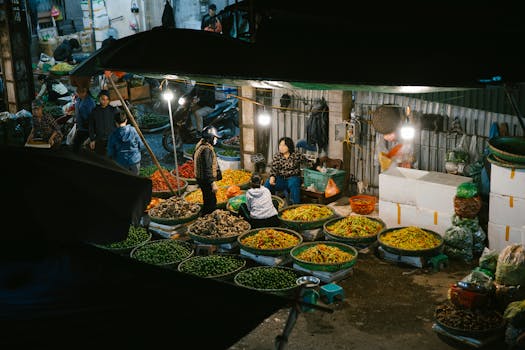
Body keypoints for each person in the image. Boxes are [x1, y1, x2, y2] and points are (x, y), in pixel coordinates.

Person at [265, 136, 318, 205]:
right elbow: (274, 169)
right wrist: (272, 177)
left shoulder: (296, 155)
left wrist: (317, 167)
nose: (281, 147)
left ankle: (295, 205)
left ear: (289, 146)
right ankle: (267, 202)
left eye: (283, 145)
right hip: (281, 180)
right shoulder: (277, 156)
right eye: (280, 145)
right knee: (268, 183)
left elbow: (308, 162)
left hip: (293, 179)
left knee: (294, 182)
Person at [193, 126, 222, 215]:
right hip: (206, 180)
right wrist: (213, 183)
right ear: (210, 138)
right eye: (215, 138)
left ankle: (205, 215)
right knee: (211, 202)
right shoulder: (206, 150)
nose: (216, 140)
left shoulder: (200, 145)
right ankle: (208, 218)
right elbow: (207, 168)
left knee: (207, 199)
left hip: (200, 178)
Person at [107, 111, 144, 176]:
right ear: (126, 120)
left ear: (115, 122)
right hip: (134, 161)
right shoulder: (133, 130)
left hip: (120, 162)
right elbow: (141, 145)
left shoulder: (113, 135)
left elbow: (110, 152)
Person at [89, 90, 117, 156]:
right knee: (101, 158)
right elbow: (91, 126)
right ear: (99, 99)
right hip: (99, 139)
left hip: (111, 139)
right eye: (103, 99)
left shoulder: (113, 110)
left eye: (107, 99)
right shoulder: (95, 111)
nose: (105, 101)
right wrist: (92, 139)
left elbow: (118, 124)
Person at [72, 87, 96, 153]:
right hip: (80, 127)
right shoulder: (79, 99)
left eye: (78, 92)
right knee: (76, 145)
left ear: (84, 92)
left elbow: (91, 117)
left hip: (86, 128)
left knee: (78, 146)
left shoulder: (89, 102)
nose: (77, 93)